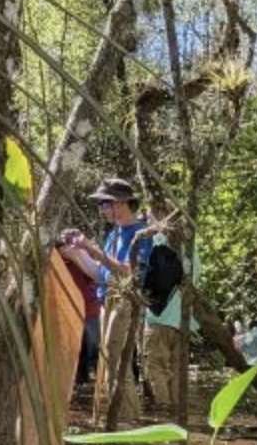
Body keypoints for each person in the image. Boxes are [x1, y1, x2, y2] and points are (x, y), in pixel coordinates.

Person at [81, 177, 150, 427]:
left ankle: (128, 420)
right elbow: (100, 273)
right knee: (107, 359)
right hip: (107, 299)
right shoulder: (114, 233)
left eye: (104, 203)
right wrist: (78, 251)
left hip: (125, 300)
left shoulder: (141, 234)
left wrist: (95, 251)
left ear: (121, 203)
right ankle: (114, 418)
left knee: (117, 359)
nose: (101, 209)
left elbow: (131, 272)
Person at [141, 211, 194, 417]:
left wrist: (156, 230)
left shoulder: (160, 245)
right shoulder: (191, 250)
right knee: (176, 370)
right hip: (182, 321)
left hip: (159, 319)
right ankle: (176, 414)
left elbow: (156, 275)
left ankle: (163, 414)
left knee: (156, 368)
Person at [57, 229, 103, 395]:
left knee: (93, 346)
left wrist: (79, 257)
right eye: (64, 243)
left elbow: (96, 276)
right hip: (68, 309)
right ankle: (78, 381)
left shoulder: (82, 258)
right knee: (75, 346)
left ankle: (93, 382)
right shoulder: (56, 262)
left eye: (69, 242)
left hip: (89, 309)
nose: (67, 247)